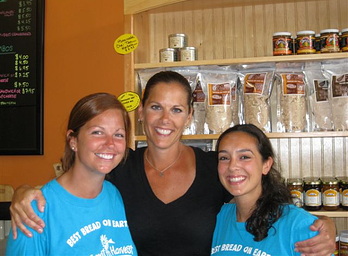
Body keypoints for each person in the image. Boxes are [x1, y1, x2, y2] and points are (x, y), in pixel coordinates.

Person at [10, 71, 336, 255]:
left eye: (177, 109)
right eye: (155, 107)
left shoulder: (216, 169)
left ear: (189, 117)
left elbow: (261, 204)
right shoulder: (118, 169)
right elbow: (73, 193)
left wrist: (322, 222)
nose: (165, 119)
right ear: (141, 113)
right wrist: (23, 192)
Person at [6, 93, 137, 255]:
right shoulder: (34, 211)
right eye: (97, 132)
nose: (110, 143)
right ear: (73, 140)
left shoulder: (114, 195)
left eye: (118, 135)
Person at [211, 124, 325, 255]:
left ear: (266, 165)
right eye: (224, 158)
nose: (232, 166)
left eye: (244, 157)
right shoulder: (219, 217)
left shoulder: (300, 225)